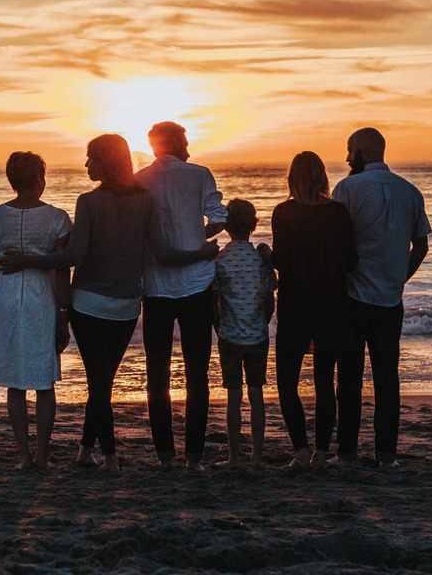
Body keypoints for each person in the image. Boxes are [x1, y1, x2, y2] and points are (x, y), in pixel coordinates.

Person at [3, 134, 201, 472]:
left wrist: (28, 259)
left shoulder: (88, 202)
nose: (86, 164)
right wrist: (201, 251)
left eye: (90, 158)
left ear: (105, 162)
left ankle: (110, 457)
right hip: (126, 306)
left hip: (89, 305)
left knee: (99, 384)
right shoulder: (145, 200)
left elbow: (73, 255)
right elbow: (163, 252)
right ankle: (85, 450)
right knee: (102, 381)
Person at [331, 127, 430, 468]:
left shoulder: (346, 189)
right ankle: (386, 455)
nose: (347, 158)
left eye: (350, 151)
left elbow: (336, 243)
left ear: (364, 152)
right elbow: (421, 246)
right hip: (390, 299)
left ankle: (347, 453)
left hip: (353, 297)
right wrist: (399, 278)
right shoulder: (410, 191)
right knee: (387, 378)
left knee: (349, 378)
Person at [136, 120, 228, 470]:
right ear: (177, 142)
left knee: (156, 373)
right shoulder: (200, 174)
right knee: (197, 373)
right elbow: (219, 218)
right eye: (185, 140)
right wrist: (196, 236)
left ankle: (164, 455)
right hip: (196, 285)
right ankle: (193, 457)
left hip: (155, 287)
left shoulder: (140, 180)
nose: (188, 146)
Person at [0, 151, 72, 470]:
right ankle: (42, 455)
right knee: (44, 381)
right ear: (39, 179)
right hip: (42, 296)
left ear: (11, 180)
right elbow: (62, 270)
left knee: (15, 383)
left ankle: (24, 457)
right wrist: (63, 315)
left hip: (5, 295)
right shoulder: (57, 218)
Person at [270, 151, 357, 470]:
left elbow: (282, 261)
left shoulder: (283, 212)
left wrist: (266, 255)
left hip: (295, 306)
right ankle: (321, 452)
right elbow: (352, 262)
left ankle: (301, 451)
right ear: (322, 177)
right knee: (324, 381)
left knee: (287, 381)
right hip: (332, 306)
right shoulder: (337, 212)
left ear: (292, 179)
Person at [211, 199, 273, 470]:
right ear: (253, 225)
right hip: (257, 335)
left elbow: (214, 303)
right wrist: (262, 322)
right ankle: (256, 456)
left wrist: (219, 328)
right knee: (257, 394)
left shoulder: (220, 260)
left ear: (226, 226)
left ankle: (234, 457)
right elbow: (270, 300)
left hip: (230, 336)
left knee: (233, 397)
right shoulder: (261, 259)